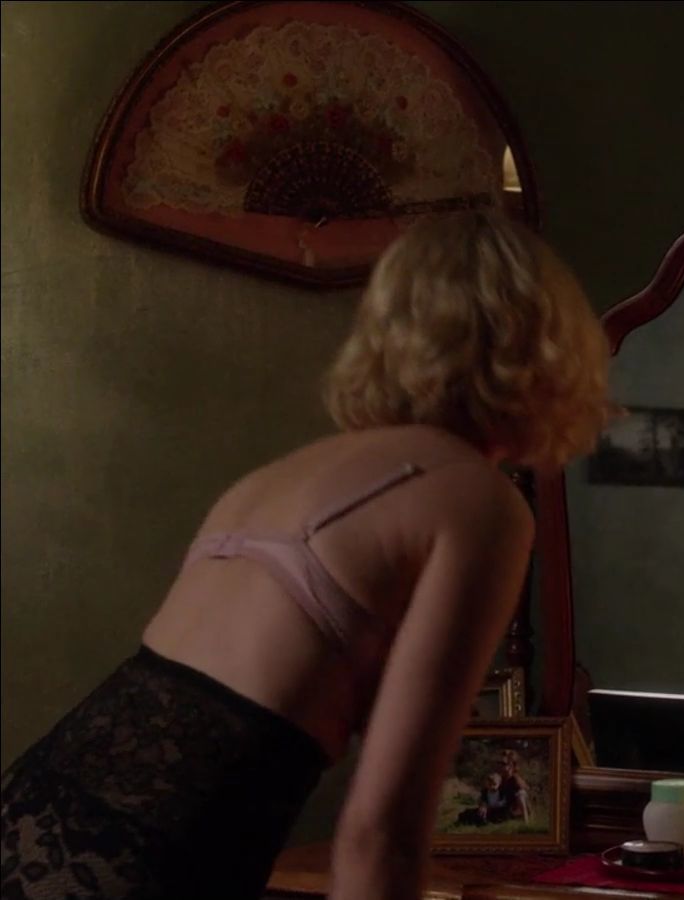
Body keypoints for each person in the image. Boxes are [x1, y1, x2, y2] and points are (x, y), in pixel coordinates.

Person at [0, 209, 611, 900]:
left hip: (30, 815)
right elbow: (379, 835)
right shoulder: (477, 499)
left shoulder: (279, 477)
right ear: (546, 349)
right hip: (132, 869)